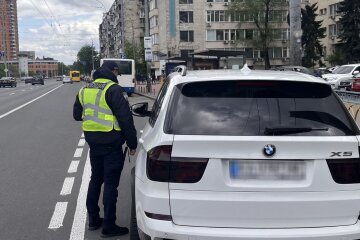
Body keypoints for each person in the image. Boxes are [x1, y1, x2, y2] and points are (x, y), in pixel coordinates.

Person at [73, 61, 137, 238]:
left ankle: (94, 219)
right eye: (117, 71)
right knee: (110, 184)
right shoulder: (114, 89)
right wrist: (132, 144)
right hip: (111, 143)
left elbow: (77, 115)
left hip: (93, 143)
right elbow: (125, 119)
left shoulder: (85, 90)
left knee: (96, 179)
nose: (117, 74)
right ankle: (109, 225)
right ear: (112, 71)